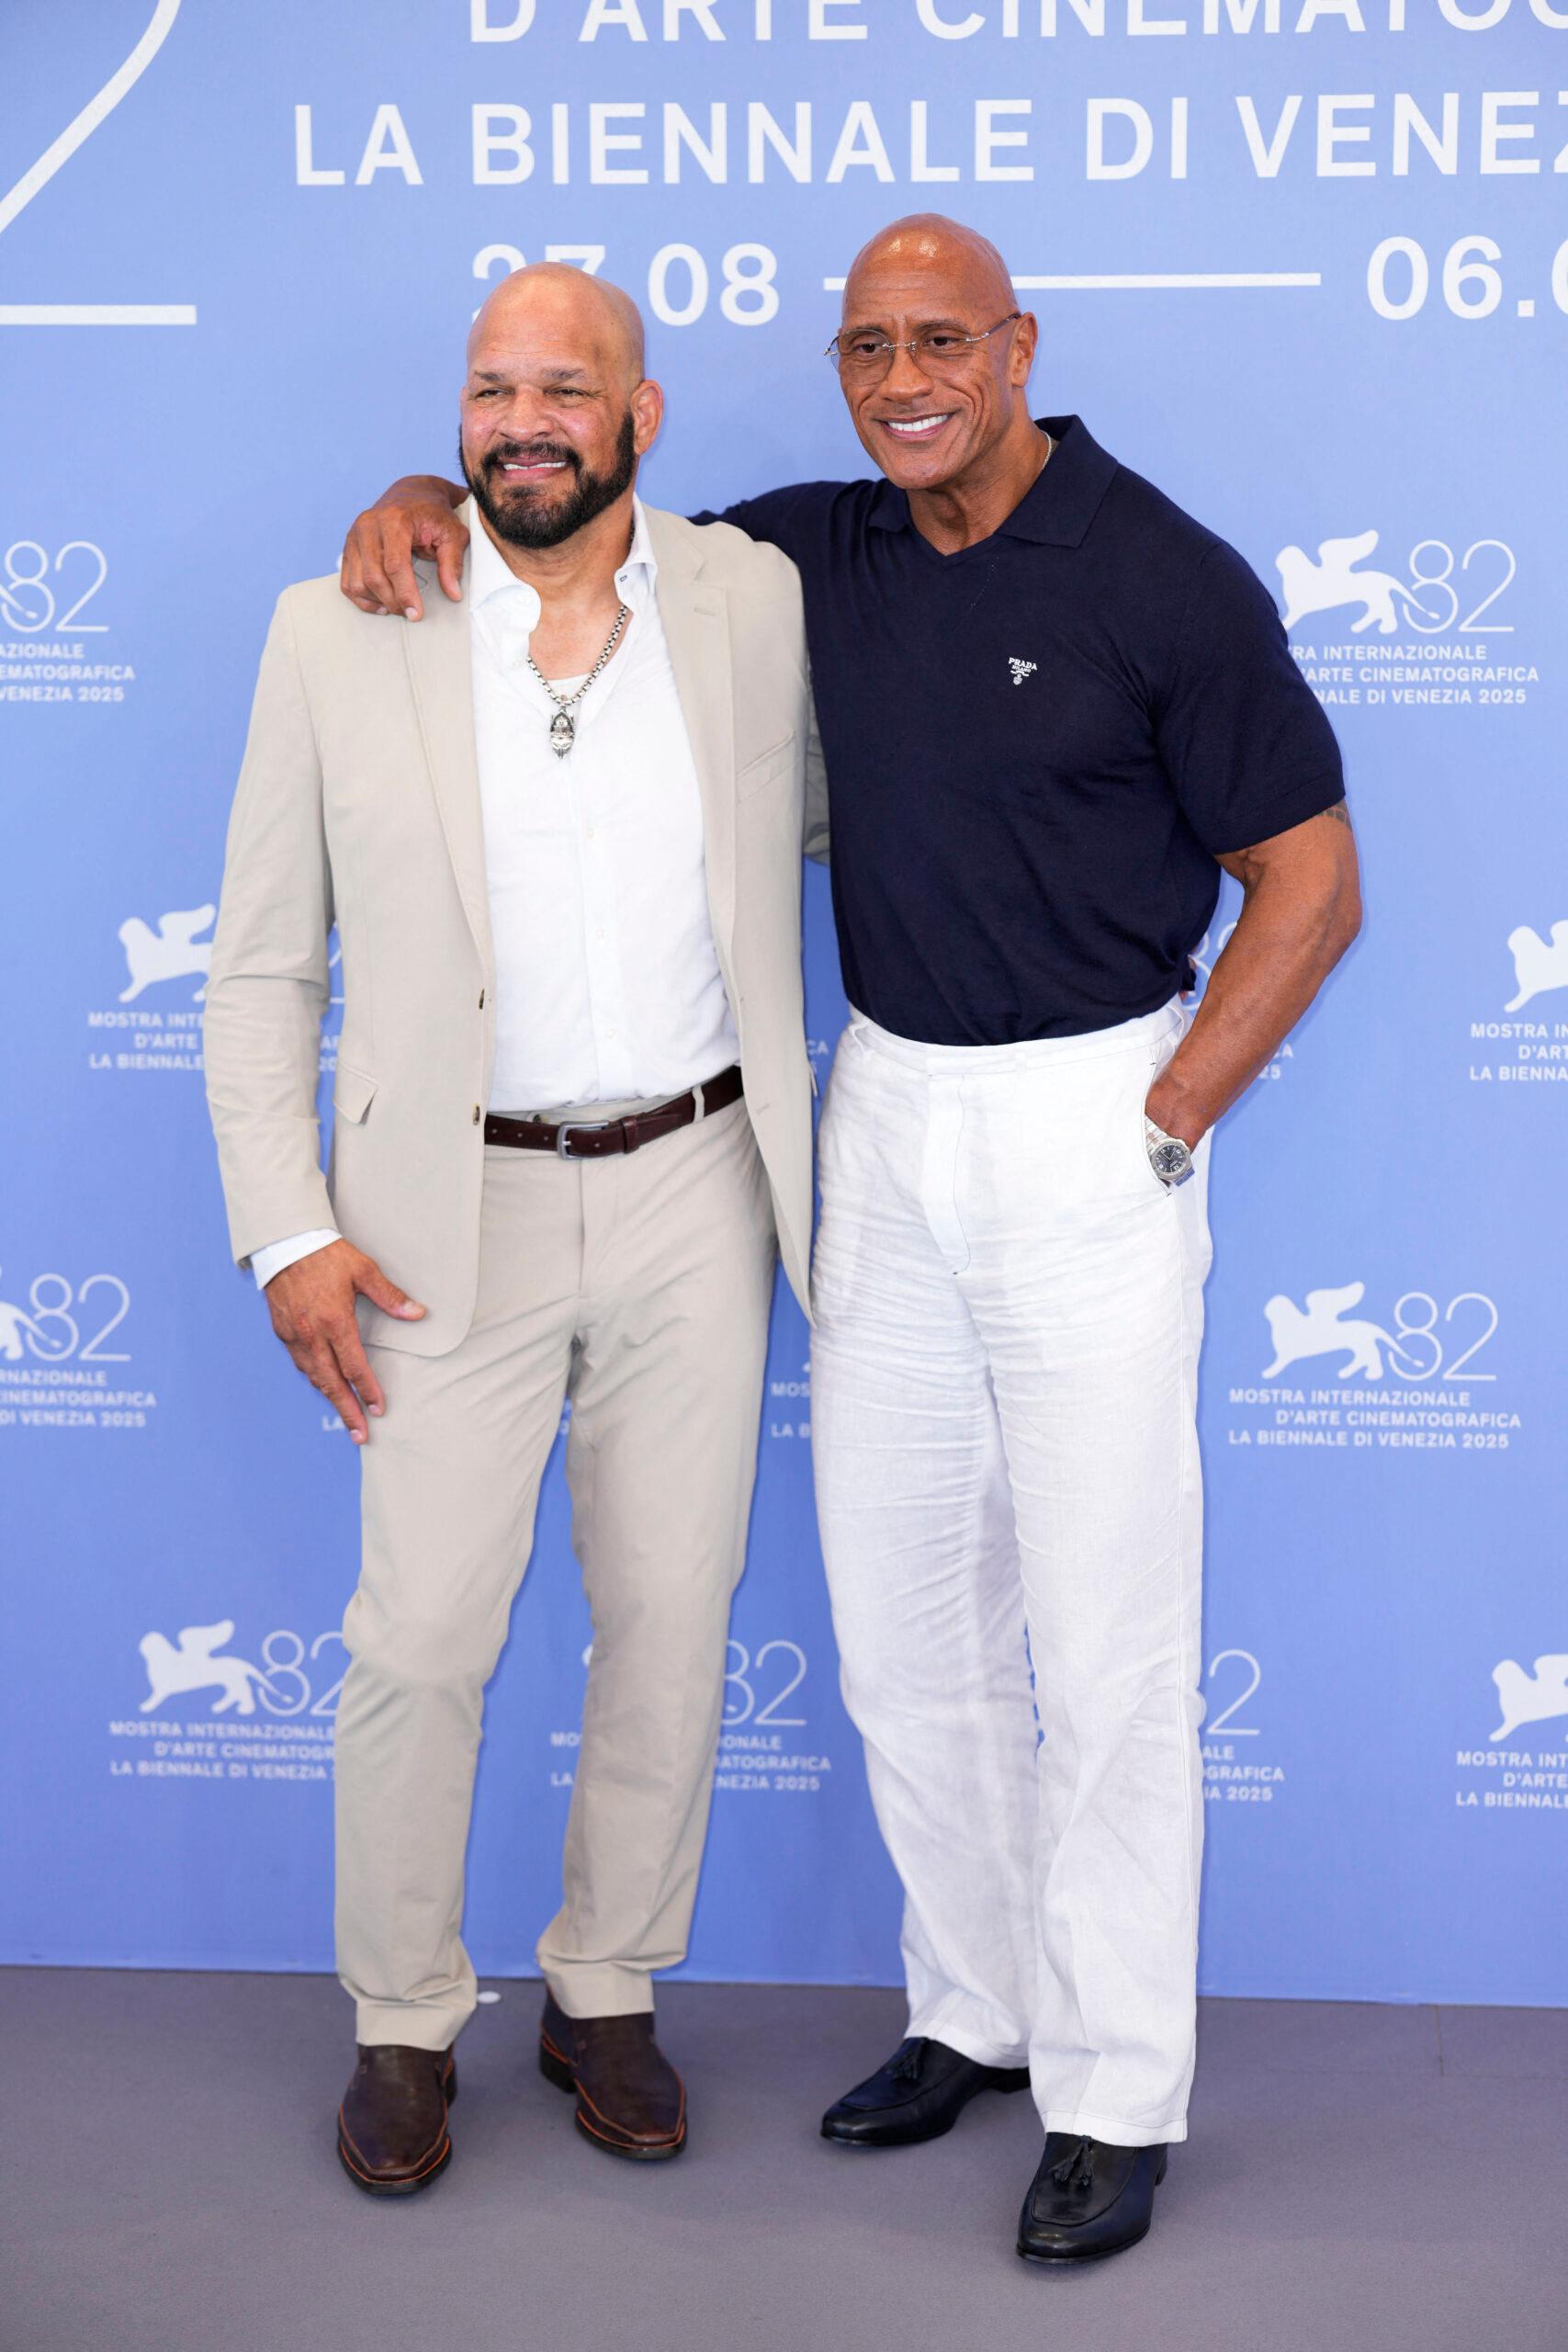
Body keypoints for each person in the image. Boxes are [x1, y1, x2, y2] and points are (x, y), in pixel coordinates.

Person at [338, 214, 1361, 2262]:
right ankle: (972, 2011)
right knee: (906, 1638)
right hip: (878, 1111)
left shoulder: (1160, 575)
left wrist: (1158, 1119)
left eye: (939, 344)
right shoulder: (812, 550)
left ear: (1015, 348)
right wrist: (417, 496)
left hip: (1092, 1113)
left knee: (1102, 1644)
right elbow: (581, 526)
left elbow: (1309, 881)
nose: (902, 378)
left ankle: (1111, 2085)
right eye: (866, 347)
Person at [205, 265, 818, 2195]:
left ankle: (605, 1981)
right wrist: (284, 1227)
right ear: (452, 419)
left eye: (567, 387)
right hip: (428, 1210)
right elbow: (253, 971)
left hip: (692, 1187)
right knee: (419, 1635)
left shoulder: (754, 604)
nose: (521, 420)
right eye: (488, 389)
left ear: (643, 418)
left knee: (666, 1618)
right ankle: (403, 2016)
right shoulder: (337, 622)